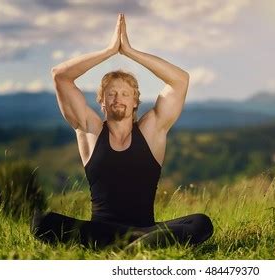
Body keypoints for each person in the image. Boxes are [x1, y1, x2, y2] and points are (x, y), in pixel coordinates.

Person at [30, 13, 213, 250]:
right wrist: (109, 50)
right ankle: (137, 247)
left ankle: (134, 244)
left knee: (200, 223)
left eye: (125, 93)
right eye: (111, 94)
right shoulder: (90, 130)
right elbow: (60, 75)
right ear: (102, 102)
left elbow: (180, 80)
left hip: (144, 229)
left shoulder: (151, 130)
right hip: (100, 230)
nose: (118, 98)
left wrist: (130, 51)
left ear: (136, 101)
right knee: (41, 222)